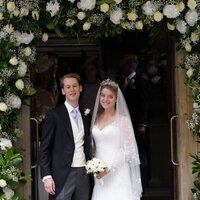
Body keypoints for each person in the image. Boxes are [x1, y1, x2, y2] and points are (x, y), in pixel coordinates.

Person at [40, 73, 93, 200]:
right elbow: (45, 148)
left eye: (75, 86)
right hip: (62, 174)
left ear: (80, 88)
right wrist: (47, 176)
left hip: (83, 172)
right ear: (63, 91)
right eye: (68, 87)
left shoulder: (85, 114)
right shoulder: (54, 115)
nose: (72, 90)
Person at [91, 79, 142, 200]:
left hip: (117, 171)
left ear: (116, 99)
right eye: (103, 95)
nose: (105, 99)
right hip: (99, 172)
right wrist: (96, 167)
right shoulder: (96, 118)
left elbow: (129, 150)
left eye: (110, 96)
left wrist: (109, 169)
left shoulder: (123, 120)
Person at [119, 54, 149, 191]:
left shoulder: (140, 81)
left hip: (136, 126)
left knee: (139, 154)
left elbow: (144, 103)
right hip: (125, 126)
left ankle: (143, 182)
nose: (127, 66)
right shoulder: (122, 82)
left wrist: (141, 124)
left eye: (131, 63)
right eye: (126, 63)